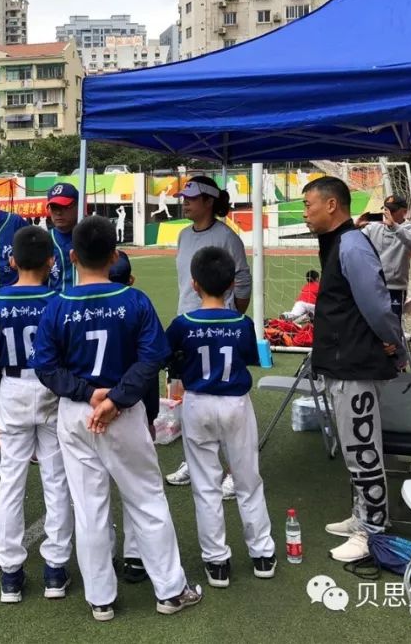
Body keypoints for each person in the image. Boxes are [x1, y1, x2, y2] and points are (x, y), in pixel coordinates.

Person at [32, 216, 201, 622]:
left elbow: (45, 366)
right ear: (113, 256)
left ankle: (101, 599)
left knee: (89, 508)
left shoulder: (58, 305)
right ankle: (170, 591)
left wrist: (89, 395)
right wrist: (116, 398)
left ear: (72, 256)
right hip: (122, 414)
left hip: (77, 413)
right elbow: (153, 357)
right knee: (146, 500)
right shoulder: (134, 300)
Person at [302, 176, 406, 563]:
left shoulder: (352, 244)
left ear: (331, 205)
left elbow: (378, 306)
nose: (305, 214)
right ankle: (362, 516)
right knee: (353, 449)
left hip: (354, 366)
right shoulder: (337, 242)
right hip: (341, 363)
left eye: (308, 205)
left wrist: (394, 344)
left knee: (364, 451)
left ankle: (373, 532)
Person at [0, 226, 73, 603]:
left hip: (10, 389)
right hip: (53, 388)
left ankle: (11, 574)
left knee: (11, 481)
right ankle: (55, 571)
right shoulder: (61, 300)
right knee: (56, 478)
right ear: (52, 261)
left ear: (11, 260)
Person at [166, 246, 276, 588]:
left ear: (194, 284)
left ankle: (217, 562)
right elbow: (249, 358)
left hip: (197, 403)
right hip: (235, 403)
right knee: (247, 480)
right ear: (231, 285)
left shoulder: (182, 324)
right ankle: (262, 554)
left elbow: (171, 360)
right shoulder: (243, 323)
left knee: (205, 485)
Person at [165, 175, 252, 491]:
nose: (185, 201)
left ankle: (232, 471)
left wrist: (232, 316)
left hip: (219, 330)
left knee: (223, 398)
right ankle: (195, 461)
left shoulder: (228, 238)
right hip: (188, 326)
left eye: (191, 197)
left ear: (209, 202)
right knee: (192, 398)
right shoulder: (184, 236)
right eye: (184, 197)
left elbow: (243, 280)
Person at [107, 250, 159, 586]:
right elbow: (150, 366)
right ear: (131, 279)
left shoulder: (71, 301)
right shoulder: (138, 302)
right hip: (129, 406)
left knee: (92, 495)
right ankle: (136, 557)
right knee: (138, 488)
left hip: (87, 407)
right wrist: (151, 414)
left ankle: (101, 561)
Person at [356, 194, 411, 320]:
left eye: (392, 210)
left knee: (393, 325)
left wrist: (394, 226)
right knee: (370, 323)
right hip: (374, 285)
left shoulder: (409, 229)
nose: (388, 213)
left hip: (396, 288)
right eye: (386, 209)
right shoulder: (374, 227)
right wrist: (355, 227)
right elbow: (355, 242)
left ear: (404, 212)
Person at [46, 183, 80, 292]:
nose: (58, 212)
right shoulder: (43, 240)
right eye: (54, 207)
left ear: (78, 206)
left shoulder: (91, 236)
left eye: (64, 206)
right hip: (55, 304)